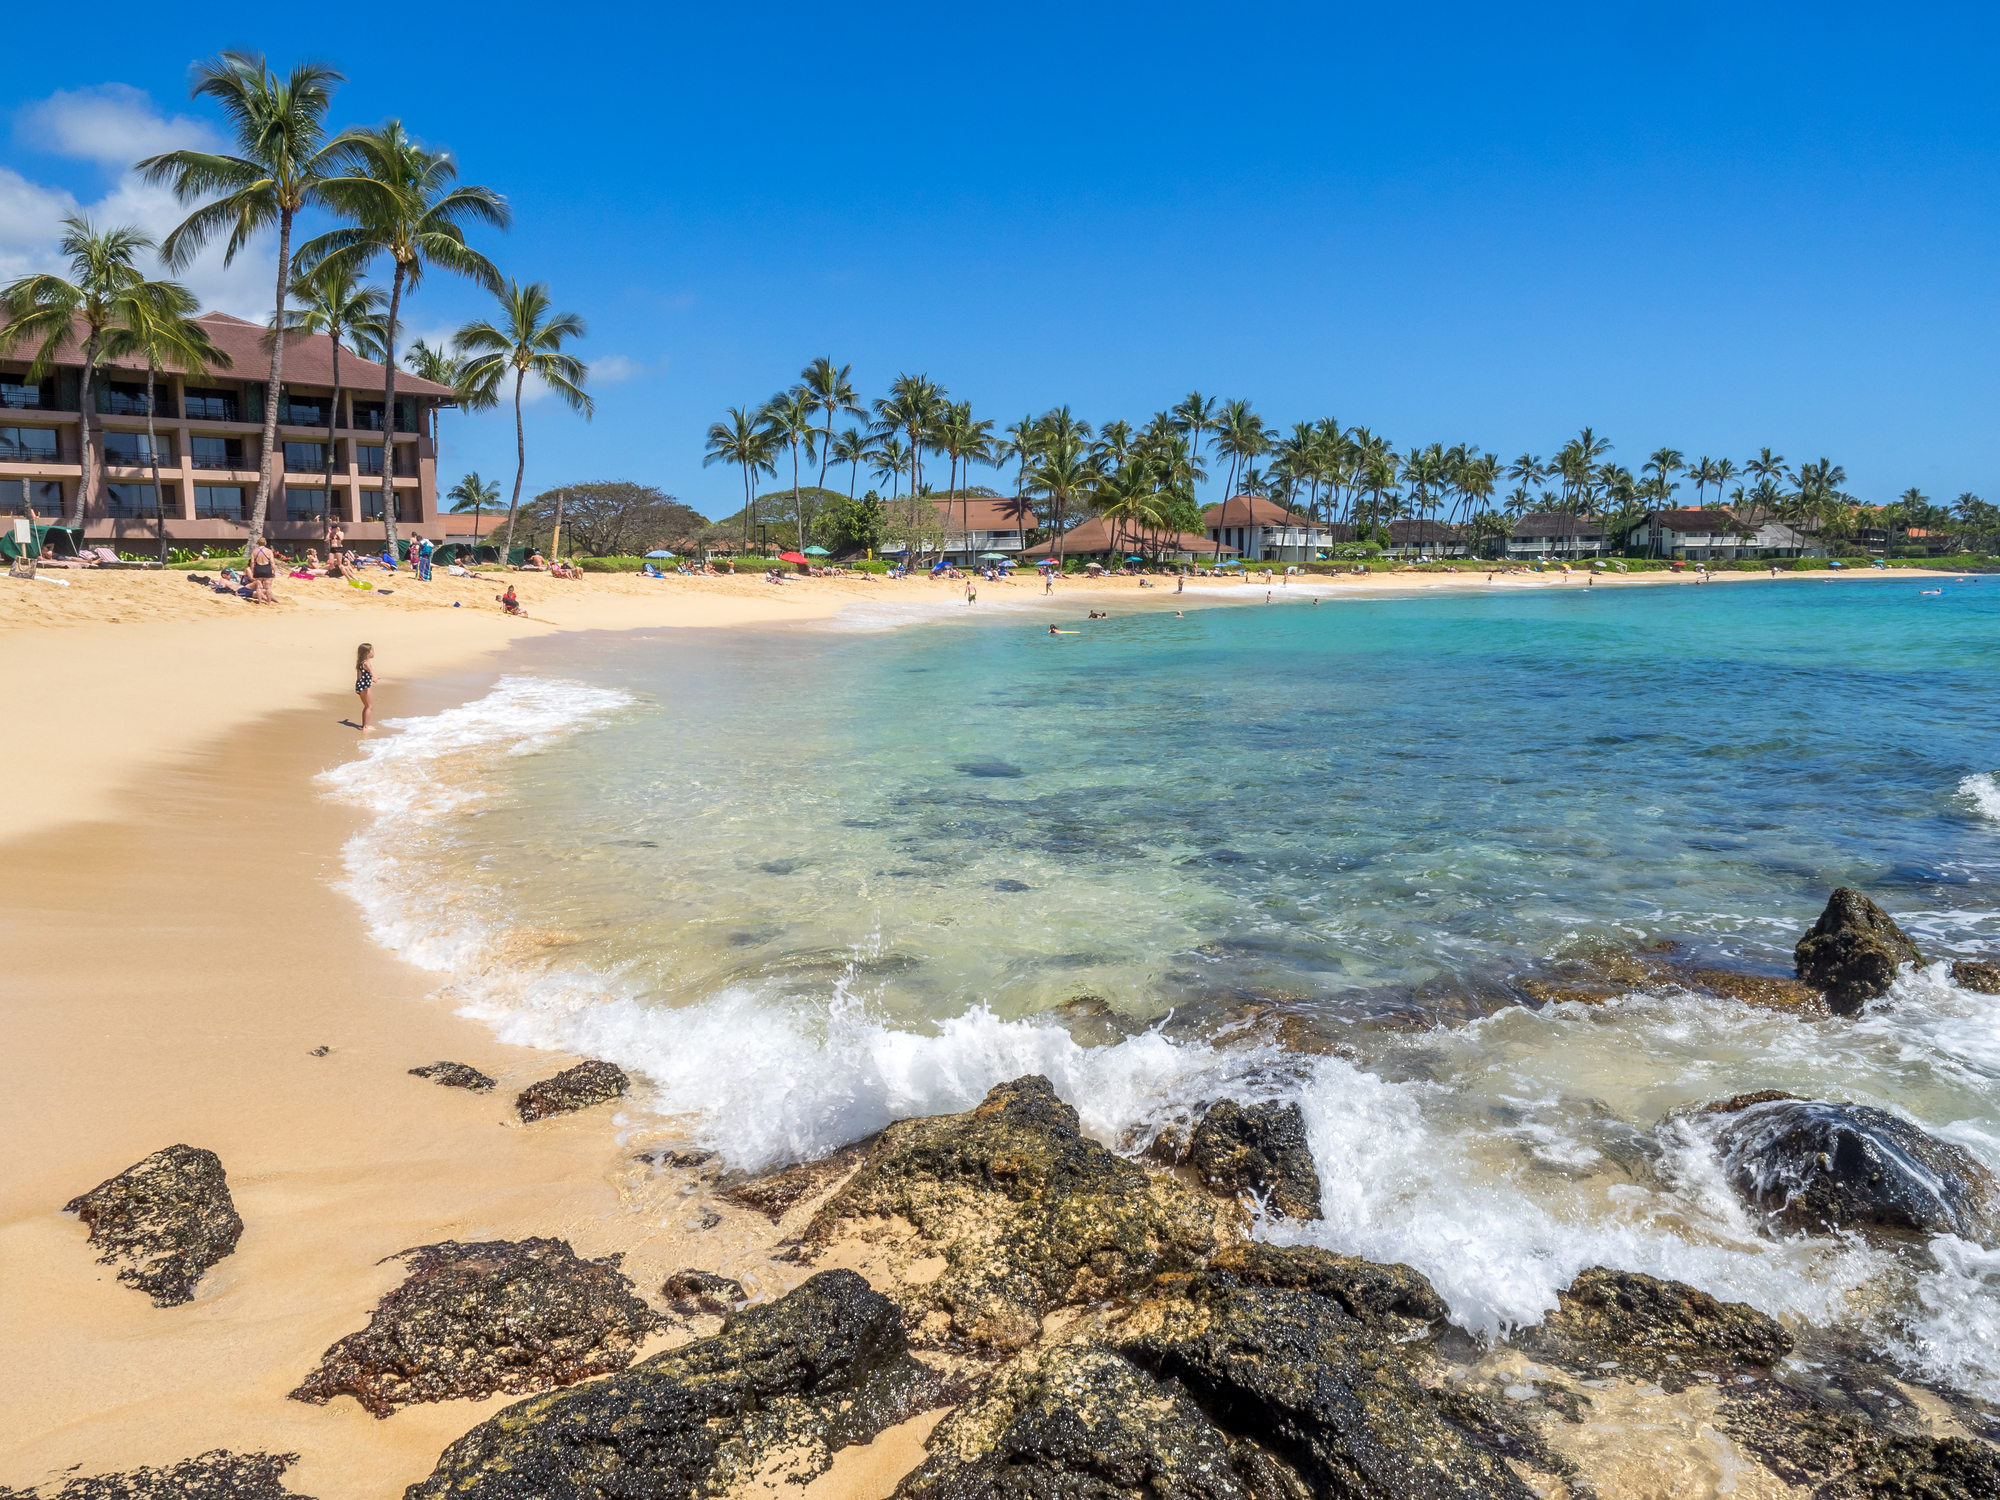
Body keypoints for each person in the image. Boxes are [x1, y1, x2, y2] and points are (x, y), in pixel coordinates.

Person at [354, 642, 376, 730]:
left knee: (367, 706)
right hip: (364, 686)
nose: (373, 653)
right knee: (369, 706)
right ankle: (365, 726)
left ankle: (365, 724)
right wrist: (374, 677)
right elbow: (371, 670)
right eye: (372, 651)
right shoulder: (366, 663)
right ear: (367, 653)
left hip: (359, 685)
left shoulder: (359, 662)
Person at [249, 535, 276, 603]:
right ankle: (269, 602)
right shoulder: (269, 551)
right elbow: (272, 562)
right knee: (268, 588)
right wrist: (274, 570)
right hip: (267, 568)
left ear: (258, 543)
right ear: (265, 543)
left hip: (258, 569)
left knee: (259, 587)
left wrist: (252, 571)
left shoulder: (254, 551)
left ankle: (260, 602)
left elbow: (252, 563)